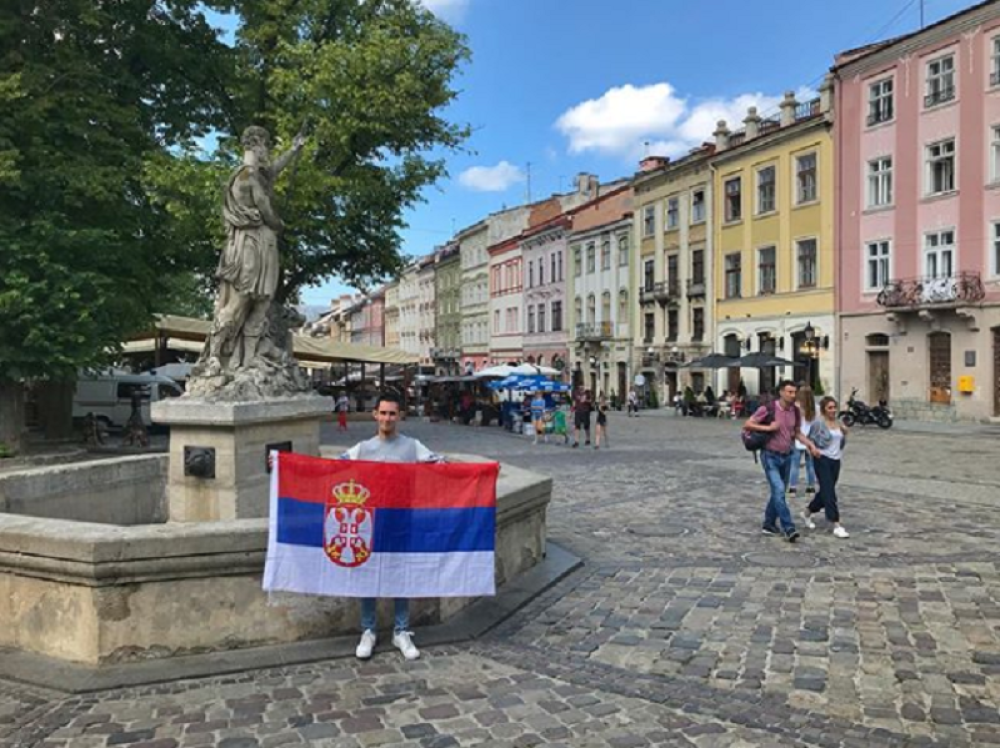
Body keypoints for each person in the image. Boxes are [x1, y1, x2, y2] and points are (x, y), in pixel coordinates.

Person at [339, 393, 444, 661]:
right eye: (383, 413)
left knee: (400, 573)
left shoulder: (412, 446)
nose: (387, 418)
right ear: (375, 415)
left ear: (399, 416)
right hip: (370, 521)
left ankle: (401, 630)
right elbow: (330, 466)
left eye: (392, 413)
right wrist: (283, 463)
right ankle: (369, 629)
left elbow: (439, 464)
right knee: (368, 574)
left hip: (401, 519)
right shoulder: (363, 449)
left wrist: (485, 472)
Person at [744, 380, 820, 543]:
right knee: (779, 490)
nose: (792, 395)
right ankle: (789, 527)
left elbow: (797, 433)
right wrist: (769, 428)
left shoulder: (795, 411)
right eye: (789, 392)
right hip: (770, 455)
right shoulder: (769, 408)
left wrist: (810, 445)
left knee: (778, 492)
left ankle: (769, 524)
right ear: (781, 392)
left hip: (787, 455)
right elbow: (748, 424)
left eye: (794, 392)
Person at [804, 396, 850, 538]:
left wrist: (844, 433)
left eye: (834, 407)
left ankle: (807, 511)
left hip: (835, 460)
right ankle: (836, 523)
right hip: (822, 459)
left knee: (825, 491)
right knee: (829, 492)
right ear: (824, 409)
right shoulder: (818, 424)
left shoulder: (838, 423)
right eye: (830, 408)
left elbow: (840, 440)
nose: (833, 410)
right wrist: (813, 450)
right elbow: (809, 440)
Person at [788, 386, 817, 499]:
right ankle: (811, 487)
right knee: (810, 466)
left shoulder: (795, 407)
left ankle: (792, 488)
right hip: (810, 439)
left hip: (798, 438)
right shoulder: (815, 409)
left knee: (794, 465)